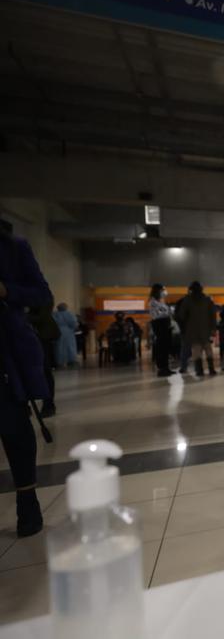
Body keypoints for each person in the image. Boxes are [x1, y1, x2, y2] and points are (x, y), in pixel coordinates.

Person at [0, 218, 51, 537]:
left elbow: (41, 294)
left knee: (15, 430)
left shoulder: (13, 248)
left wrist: (7, 291)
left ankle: (27, 501)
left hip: (7, 357)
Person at [175, 281, 217, 376]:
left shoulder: (187, 300)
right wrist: (213, 328)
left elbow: (181, 315)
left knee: (196, 350)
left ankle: (199, 371)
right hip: (206, 329)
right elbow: (213, 315)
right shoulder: (207, 300)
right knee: (208, 348)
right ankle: (211, 369)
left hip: (192, 329)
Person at [27, 300, 58, 416]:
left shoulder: (41, 292)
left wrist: (20, 316)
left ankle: (48, 405)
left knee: (45, 371)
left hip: (41, 336)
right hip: (20, 334)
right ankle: (24, 405)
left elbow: (43, 316)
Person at [148, 283, 174, 376]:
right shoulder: (153, 302)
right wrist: (168, 313)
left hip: (165, 324)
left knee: (166, 347)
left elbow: (167, 312)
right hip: (159, 324)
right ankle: (161, 369)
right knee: (161, 347)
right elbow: (156, 315)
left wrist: (169, 312)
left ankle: (166, 367)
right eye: (163, 290)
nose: (165, 292)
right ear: (158, 291)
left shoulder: (161, 301)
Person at [52, 303, 78, 367]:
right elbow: (73, 323)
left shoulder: (54, 314)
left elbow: (53, 323)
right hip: (68, 332)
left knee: (59, 347)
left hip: (57, 331)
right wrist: (74, 328)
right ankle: (71, 361)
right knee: (70, 347)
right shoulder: (69, 314)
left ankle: (59, 361)